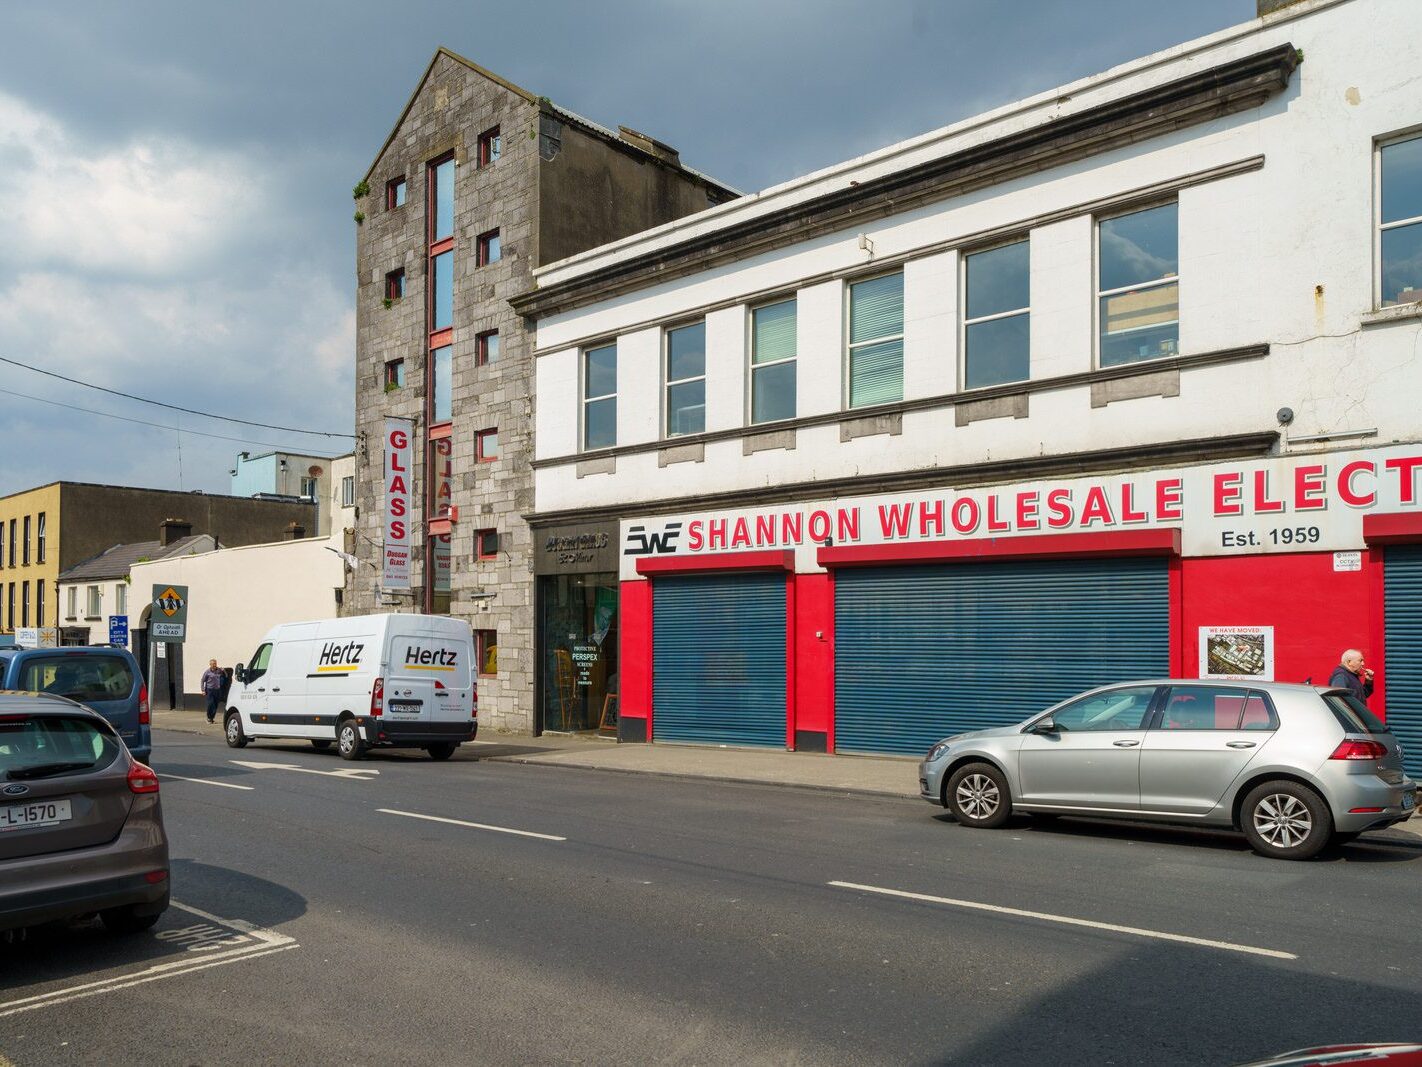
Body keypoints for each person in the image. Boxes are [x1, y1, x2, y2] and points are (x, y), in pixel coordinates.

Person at [200, 659, 225, 723]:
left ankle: (211, 719)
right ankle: (208, 717)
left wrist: (224, 671)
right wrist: (203, 690)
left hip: (217, 690)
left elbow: (226, 676)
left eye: (215, 663)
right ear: (210, 665)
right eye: (213, 664)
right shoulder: (207, 672)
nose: (214, 665)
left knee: (216, 705)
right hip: (209, 690)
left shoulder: (219, 670)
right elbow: (202, 680)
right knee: (211, 704)